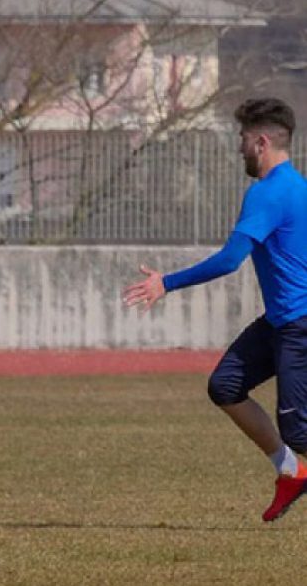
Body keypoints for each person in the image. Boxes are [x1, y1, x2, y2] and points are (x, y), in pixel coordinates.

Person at [123, 98, 307, 522]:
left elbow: (229, 260)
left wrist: (165, 283)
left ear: (261, 142)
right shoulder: (297, 186)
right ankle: (290, 471)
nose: (239, 148)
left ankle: (295, 459)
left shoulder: (268, 192)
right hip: (281, 321)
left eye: (242, 139)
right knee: (225, 385)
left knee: (299, 429)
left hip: (299, 324)